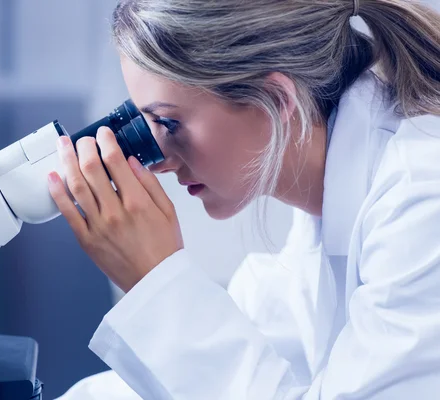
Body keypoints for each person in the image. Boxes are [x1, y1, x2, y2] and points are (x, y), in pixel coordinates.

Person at [47, 0, 440, 398]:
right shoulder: (336, 194)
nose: (157, 161)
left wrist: (155, 281)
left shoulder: (423, 205)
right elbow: (267, 348)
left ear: (276, 101)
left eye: (168, 122)